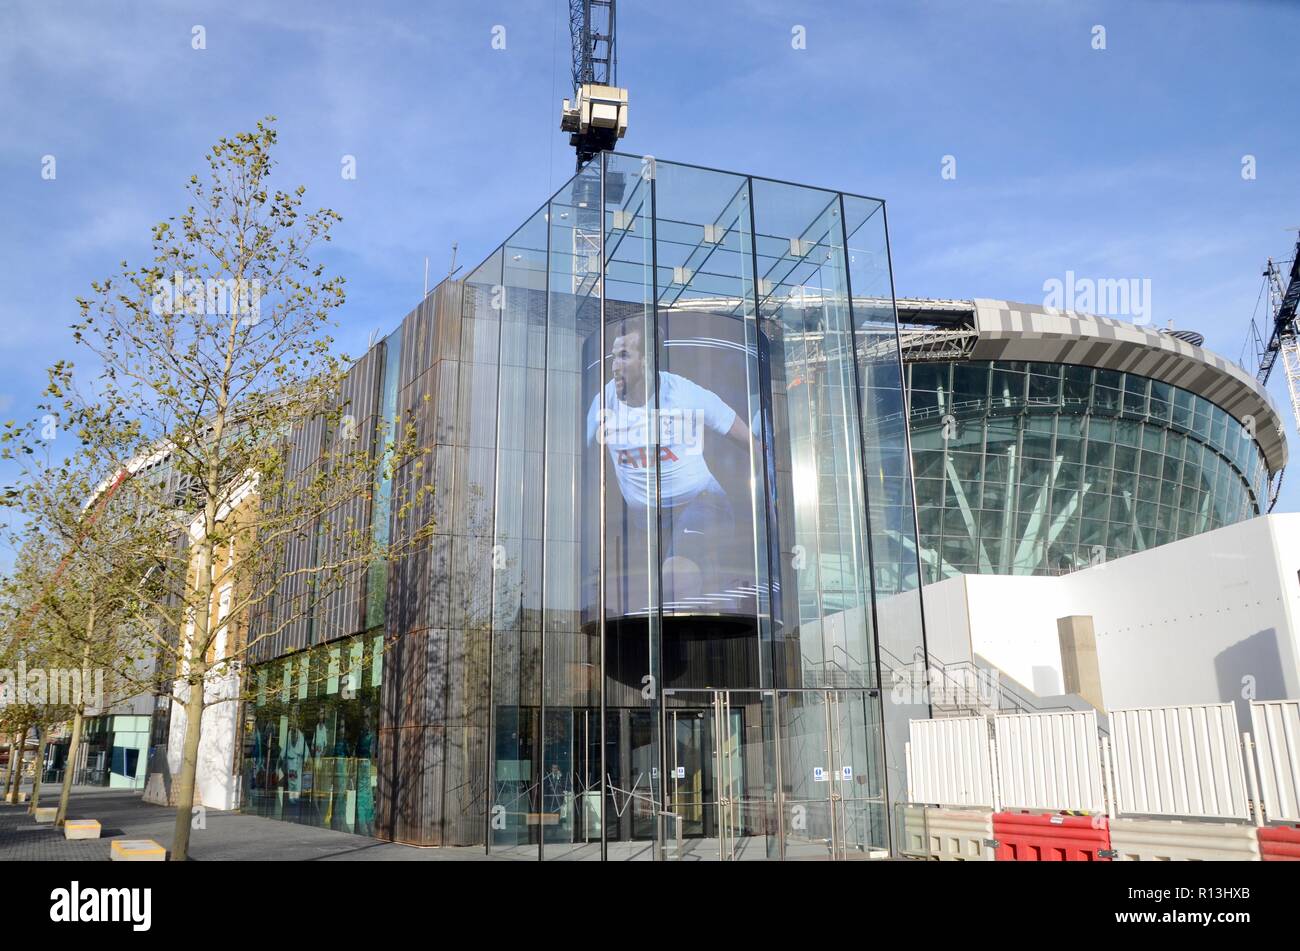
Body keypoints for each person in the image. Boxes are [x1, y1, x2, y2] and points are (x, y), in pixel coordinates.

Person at [586, 320, 755, 595]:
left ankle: (702, 569)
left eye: (624, 356)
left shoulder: (684, 394)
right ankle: (707, 574)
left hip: (703, 502)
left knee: (675, 578)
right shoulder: (602, 404)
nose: (614, 366)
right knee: (653, 594)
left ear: (647, 360)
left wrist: (772, 479)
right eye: (613, 356)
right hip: (651, 522)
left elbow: (747, 440)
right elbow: (578, 457)